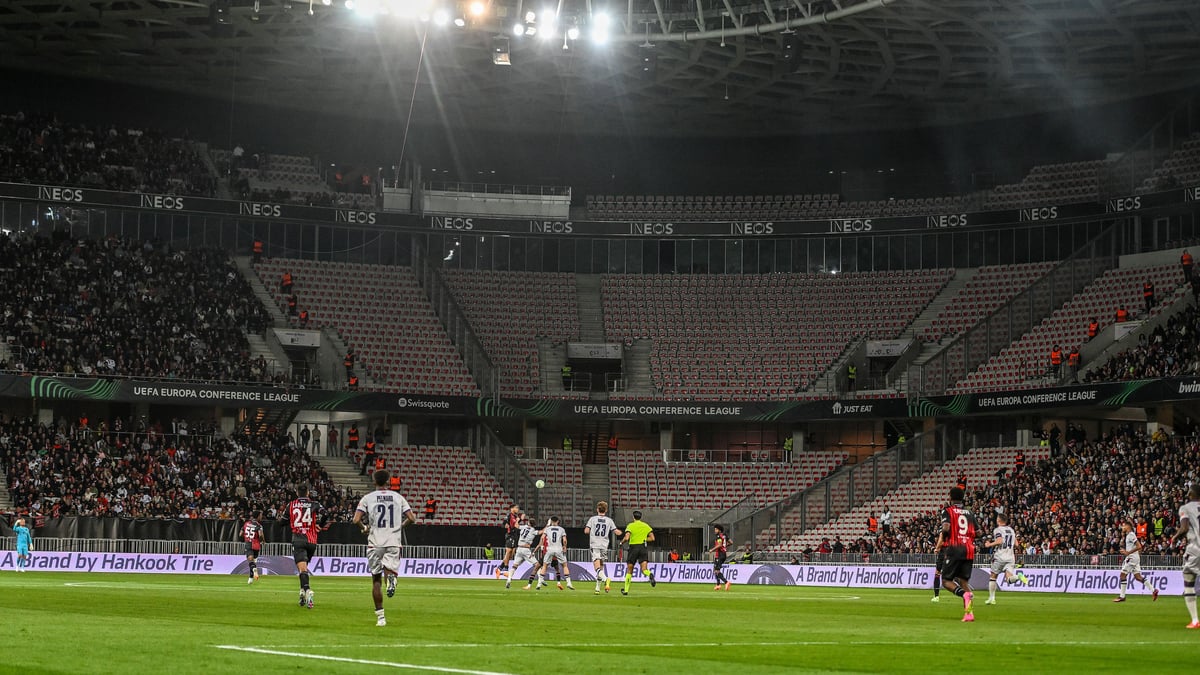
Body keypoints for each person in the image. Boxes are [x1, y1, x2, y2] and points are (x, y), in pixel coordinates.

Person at [353, 469, 416, 626]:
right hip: (393, 540)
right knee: (389, 571)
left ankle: (381, 618)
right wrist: (401, 525)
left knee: (375, 580)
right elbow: (412, 518)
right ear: (388, 482)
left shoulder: (368, 498)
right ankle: (391, 579)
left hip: (375, 542)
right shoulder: (398, 497)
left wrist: (365, 527)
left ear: (374, 481)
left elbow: (356, 520)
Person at [938, 486, 979, 622]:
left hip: (954, 548)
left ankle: (964, 595)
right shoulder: (970, 513)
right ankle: (969, 613)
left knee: (946, 581)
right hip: (969, 549)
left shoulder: (948, 511)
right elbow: (979, 533)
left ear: (950, 497)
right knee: (963, 581)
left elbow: (946, 527)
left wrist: (944, 539)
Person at [1168, 484, 1200, 629]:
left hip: (1195, 548)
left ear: (1191, 494)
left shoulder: (1185, 508)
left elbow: (1185, 527)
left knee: (1188, 578)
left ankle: (1195, 620)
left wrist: (1175, 537)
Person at [286, 492, 326, 609]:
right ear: (307, 493)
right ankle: (302, 593)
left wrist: (289, 522)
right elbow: (326, 514)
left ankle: (308, 591)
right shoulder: (314, 504)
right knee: (303, 568)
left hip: (298, 540)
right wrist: (320, 525)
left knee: (302, 569)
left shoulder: (292, 504)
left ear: (297, 493)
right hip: (312, 541)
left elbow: (282, 521)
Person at [983, 512, 1028, 605]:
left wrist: (989, 544)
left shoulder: (997, 530)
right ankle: (1019, 577)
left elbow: (1000, 541)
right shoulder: (1011, 530)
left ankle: (992, 598)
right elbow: (1016, 544)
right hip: (1010, 557)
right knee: (1009, 579)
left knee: (993, 577)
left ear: (999, 520)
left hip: (1000, 556)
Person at [1114, 519, 1158, 602]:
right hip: (1135, 558)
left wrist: (1128, 552)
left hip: (1132, 558)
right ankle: (1153, 590)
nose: (1122, 527)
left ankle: (1122, 597)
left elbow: (1139, 546)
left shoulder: (1131, 535)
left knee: (1122, 575)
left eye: (1123, 525)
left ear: (1128, 526)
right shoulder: (1129, 535)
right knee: (1138, 577)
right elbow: (1138, 548)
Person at [584, 500, 622, 594]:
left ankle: (606, 579)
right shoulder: (609, 520)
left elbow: (586, 531)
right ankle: (597, 588)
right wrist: (621, 532)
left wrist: (591, 530)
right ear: (606, 510)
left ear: (597, 509)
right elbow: (616, 532)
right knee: (601, 566)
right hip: (604, 545)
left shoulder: (592, 519)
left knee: (596, 567)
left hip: (595, 544)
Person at [620, 510, 656, 595]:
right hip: (643, 547)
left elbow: (627, 537)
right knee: (644, 569)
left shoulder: (631, 525)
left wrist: (621, 542)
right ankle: (649, 574)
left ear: (633, 517)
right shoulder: (645, 526)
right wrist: (644, 539)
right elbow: (652, 538)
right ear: (641, 517)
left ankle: (626, 590)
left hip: (633, 548)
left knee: (629, 570)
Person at [536, 516, 573, 590]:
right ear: (558, 521)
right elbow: (564, 540)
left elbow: (543, 538)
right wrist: (564, 546)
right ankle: (569, 583)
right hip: (558, 549)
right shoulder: (561, 529)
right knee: (564, 565)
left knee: (545, 566)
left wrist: (542, 545)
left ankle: (539, 584)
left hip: (549, 549)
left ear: (551, 521)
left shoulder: (547, 529)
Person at [505, 513, 540, 589]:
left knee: (514, 566)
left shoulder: (524, 527)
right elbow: (540, 532)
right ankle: (540, 582)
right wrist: (547, 527)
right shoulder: (533, 530)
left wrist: (518, 520)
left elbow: (516, 526)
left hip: (519, 548)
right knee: (537, 565)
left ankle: (509, 579)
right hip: (526, 550)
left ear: (529, 523)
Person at [497, 504, 522, 579]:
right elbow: (503, 523)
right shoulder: (509, 515)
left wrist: (520, 520)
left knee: (511, 554)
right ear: (512, 508)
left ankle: (499, 568)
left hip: (515, 536)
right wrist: (505, 525)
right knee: (509, 551)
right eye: (516, 508)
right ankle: (506, 568)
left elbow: (516, 525)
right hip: (510, 535)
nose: (518, 509)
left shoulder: (516, 517)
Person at [241, 511, 264, 584]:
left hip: (248, 543)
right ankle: (250, 578)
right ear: (257, 516)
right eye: (260, 515)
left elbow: (240, 533)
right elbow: (260, 535)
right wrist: (262, 541)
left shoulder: (246, 523)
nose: (261, 517)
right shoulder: (259, 525)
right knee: (253, 561)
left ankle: (254, 570)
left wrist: (246, 537)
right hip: (256, 545)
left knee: (251, 561)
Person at [710, 524, 731, 591]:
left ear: (719, 530)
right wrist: (724, 547)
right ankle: (718, 585)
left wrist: (712, 550)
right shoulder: (724, 535)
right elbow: (731, 542)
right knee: (715, 569)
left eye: (716, 529)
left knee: (716, 570)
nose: (715, 530)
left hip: (719, 554)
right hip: (723, 554)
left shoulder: (718, 536)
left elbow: (719, 545)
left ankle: (726, 582)